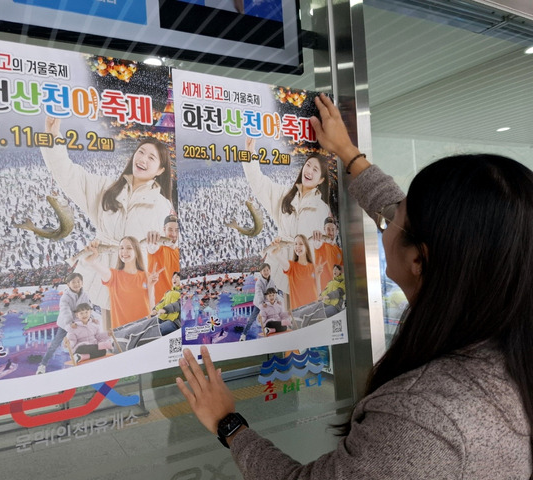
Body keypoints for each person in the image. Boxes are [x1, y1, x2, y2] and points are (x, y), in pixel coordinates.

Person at [176, 93, 532, 479]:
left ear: (419, 259)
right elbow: (396, 208)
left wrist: (229, 425)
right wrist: (348, 153)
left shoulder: (425, 416)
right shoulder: (506, 336)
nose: (387, 217)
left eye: (397, 217)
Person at [41, 117, 174, 330]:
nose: (143, 159)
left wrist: (153, 246)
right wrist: (53, 137)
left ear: (160, 170)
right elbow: (69, 175)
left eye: (152, 158)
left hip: (134, 277)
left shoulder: (163, 204)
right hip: (101, 270)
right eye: (140, 152)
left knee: (132, 334)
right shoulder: (107, 189)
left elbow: (171, 245)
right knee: (103, 334)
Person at [242, 137, 331, 296]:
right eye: (308, 165)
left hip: (302, 276)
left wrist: (317, 245)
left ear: (321, 180)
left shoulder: (323, 209)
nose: (309, 170)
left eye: (315, 169)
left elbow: (327, 246)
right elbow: (260, 184)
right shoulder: (285, 195)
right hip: (275, 273)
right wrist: (250, 155)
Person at [82, 236, 160, 329]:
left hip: (146, 329)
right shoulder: (113, 276)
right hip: (123, 334)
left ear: (137, 252)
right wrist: (92, 260)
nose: (124, 251)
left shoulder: (147, 276)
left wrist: (151, 286)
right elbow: (98, 267)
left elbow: (151, 308)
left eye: (129, 248)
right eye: (121, 248)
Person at [36, 272, 93, 374]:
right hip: (65, 324)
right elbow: (65, 311)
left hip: (80, 322)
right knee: (55, 344)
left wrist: (91, 318)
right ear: (68, 284)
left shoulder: (85, 294)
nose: (76, 284)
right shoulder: (65, 297)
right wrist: (69, 323)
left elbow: (88, 307)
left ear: (82, 283)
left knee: (84, 341)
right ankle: (43, 365)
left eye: (78, 281)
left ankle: (82, 361)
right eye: (73, 282)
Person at [272, 234, 321, 310]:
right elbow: (279, 257)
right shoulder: (291, 267)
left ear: (307, 247)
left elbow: (318, 290)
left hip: (315, 308)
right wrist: (277, 251)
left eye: (301, 244)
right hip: (299, 313)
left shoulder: (313, 267)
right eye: (295, 244)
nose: (297, 246)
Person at [239, 263, 278, 341]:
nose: (266, 272)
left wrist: (275, 300)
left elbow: (274, 291)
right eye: (264, 270)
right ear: (261, 272)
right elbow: (259, 292)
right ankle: (244, 334)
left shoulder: (272, 281)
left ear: (270, 271)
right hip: (259, 303)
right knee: (252, 319)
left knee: (271, 317)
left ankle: (270, 331)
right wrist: (261, 303)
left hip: (268, 303)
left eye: (267, 270)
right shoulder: (259, 282)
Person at [147, 214, 180, 305]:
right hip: (160, 306)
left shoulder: (179, 251)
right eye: (170, 229)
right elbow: (152, 247)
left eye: (176, 230)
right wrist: (152, 239)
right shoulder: (157, 249)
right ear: (164, 229)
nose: (173, 234)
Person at [313, 217, 343, 291]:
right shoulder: (320, 245)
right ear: (324, 229)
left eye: (333, 229)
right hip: (323, 291)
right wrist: (316, 235)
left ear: (336, 231)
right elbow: (316, 244)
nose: (331, 232)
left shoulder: (339, 250)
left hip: (336, 292)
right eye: (328, 229)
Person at [151, 271, 182, 336]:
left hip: (174, 322)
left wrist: (165, 309)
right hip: (162, 318)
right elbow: (162, 302)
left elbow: (178, 305)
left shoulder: (183, 292)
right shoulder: (168, 292)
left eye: (177, 277)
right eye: (173, 277)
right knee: (149, 328)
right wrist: (155, 309)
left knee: (156, 331)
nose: (174, 279)